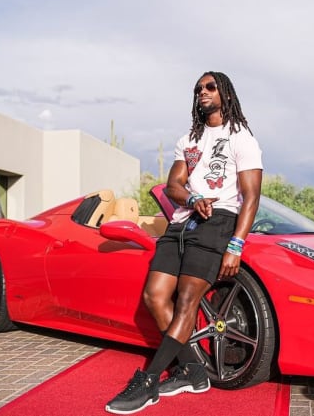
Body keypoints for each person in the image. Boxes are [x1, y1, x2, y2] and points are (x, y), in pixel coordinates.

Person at [105, 71, 263, 414]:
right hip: (180, 224)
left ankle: (148, 381)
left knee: (187, 301)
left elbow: (251, 196)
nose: (203, 92)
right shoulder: (189, 139)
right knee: (155, 295)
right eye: (198, 89)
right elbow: (173, 184)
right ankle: (192, 370)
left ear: (226, 93)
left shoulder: (241, 138)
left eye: (210, 87)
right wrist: (191, 199)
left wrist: (236, 245)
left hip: (218, 223)